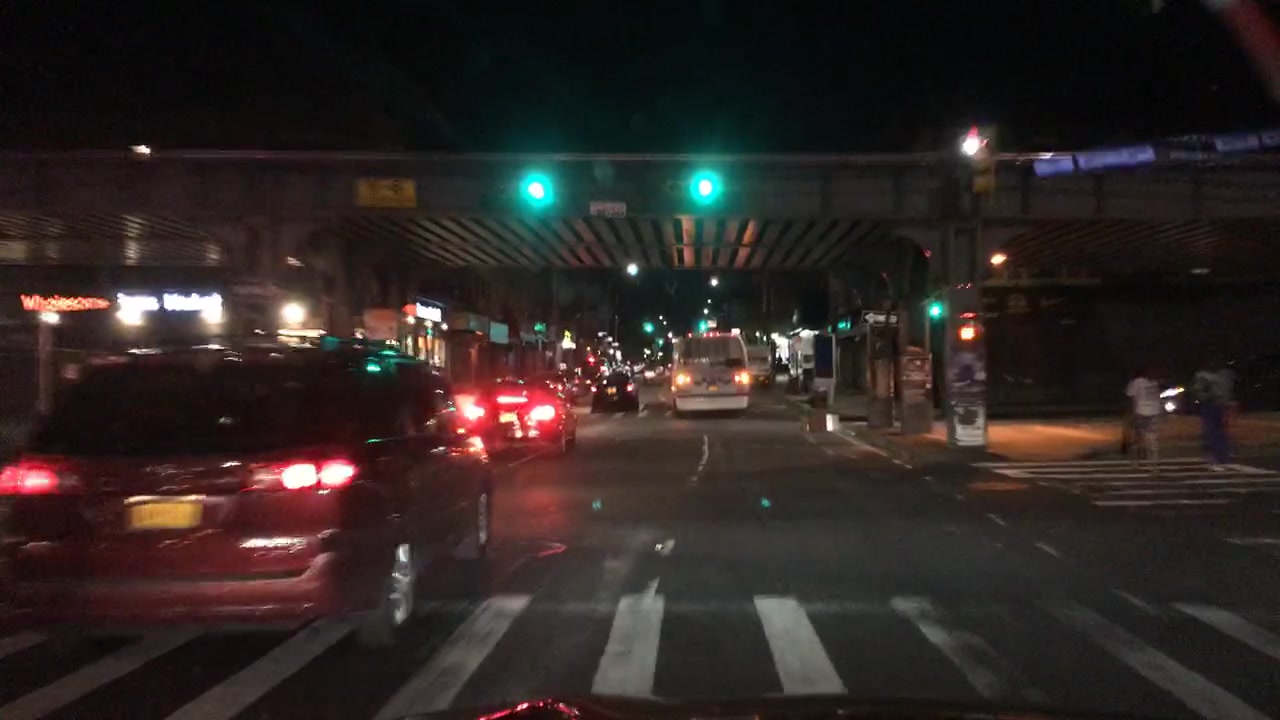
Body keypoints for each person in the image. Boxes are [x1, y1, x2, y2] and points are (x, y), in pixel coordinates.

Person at [1194, 356, 1235, 470]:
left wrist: (1227, 401)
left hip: (1219, 405)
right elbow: (1200, 392)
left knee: (1219, 431)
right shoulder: (1204, 375)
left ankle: (1221, 456)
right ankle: (1215, 457)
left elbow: (1228, 390)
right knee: (1213, 431)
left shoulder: (1224, 374)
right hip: (1212, 405)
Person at [1125, 364, 1162, 470]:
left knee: (1145, 439)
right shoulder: (1147, 383)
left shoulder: (1144, 382)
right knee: (1145, 439)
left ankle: (1146, 463)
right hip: (1146, 412)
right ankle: (1146, 463)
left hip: (1146, 412)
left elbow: (1132, 399)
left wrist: (1131, 413)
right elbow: (1132, 399)